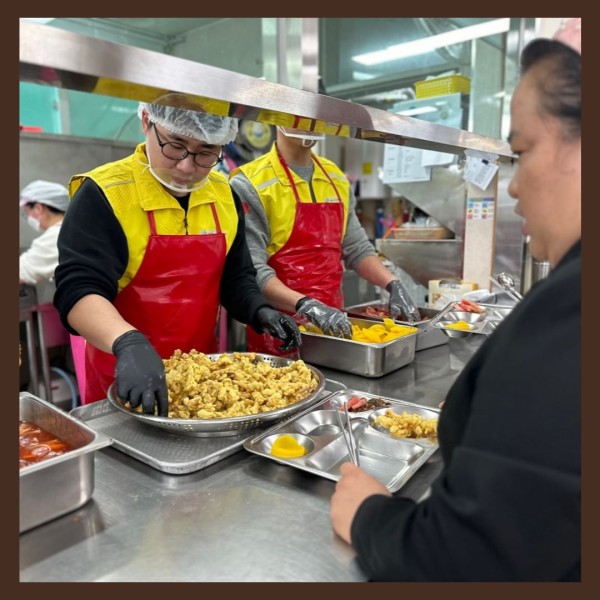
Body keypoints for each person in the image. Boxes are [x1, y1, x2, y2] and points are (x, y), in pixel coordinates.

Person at [330, 18, 581, 582]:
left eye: (522, 150)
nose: (512, 186)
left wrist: (369, 516)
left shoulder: (572, 310)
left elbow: (466, 557)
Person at [53, 99, 301, 415]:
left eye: (206, 152)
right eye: (175, 145)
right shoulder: (105, 192)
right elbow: (78, 291)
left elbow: (235, 277)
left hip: (203, 380)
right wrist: (128, 343)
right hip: (123, 375)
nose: (187, 166)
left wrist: (261, 311)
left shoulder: (223, 194)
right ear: (146, 122)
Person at [229, 124, 421, 356]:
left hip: (334, 326)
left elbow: (356, 248)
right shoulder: (249, 183)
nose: (308, 123)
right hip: (278, 330)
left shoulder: (335, 177)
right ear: (276, 118)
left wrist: (393, 283)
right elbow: (252, 270)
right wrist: (306, 305)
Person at [19, 180, 69, 288]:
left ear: (38, 209)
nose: (27, 217)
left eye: (26, 212)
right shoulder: (72, 227)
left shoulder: (56, 237)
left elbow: (21, 272)